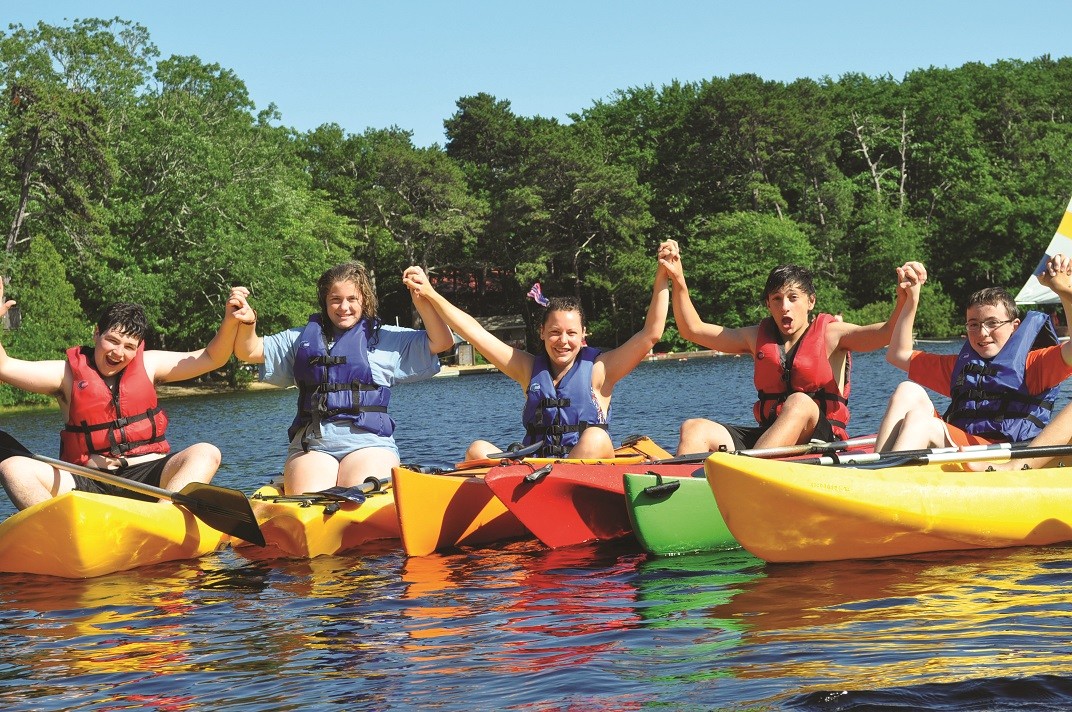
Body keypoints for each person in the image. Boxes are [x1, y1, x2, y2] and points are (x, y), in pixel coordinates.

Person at [660, 239, 923, 454]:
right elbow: (692, 329)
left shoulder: (832, 334)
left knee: (799, 402)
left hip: (821, 440)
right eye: (776, 299)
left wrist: (903, 301)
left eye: (792, 298)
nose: (784, 306)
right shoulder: (756, 337)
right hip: (770, 439)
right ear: (768, 305)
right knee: (694, 428)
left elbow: (887, 333)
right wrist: (678, 280)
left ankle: (745, 477)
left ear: (810, 302)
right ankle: (689, 499)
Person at [401, 251, 671, 460]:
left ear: (583, 334)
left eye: (571, 333)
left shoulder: (601, 369)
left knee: (596, 439)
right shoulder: (527, 369)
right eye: (554, 332)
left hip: (585, 473)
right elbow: (474, 332)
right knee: (477, 449)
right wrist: (430, 294)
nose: (563, 341)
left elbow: (651, 335)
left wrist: (663, 276)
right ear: (541, 332)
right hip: (539, 470)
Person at [0, 282, 244, 511]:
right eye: (112, 341)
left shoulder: (150, 364)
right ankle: (60, 531)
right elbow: (5, 367)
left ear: (138, 347)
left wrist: (230, 322)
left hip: (150, 477)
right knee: (13, 468)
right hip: (89, 483)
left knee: (206, 452)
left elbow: (212, 358)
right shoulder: (65, 375)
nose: (118, 353)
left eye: (129, 347)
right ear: (97, 334)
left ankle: (163, 519)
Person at [229, 262, 453, 495]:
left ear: (364, 300)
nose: (343, 307)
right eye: (335, 299)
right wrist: (247, 322)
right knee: (310, 498)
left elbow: (442, 342)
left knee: (361, 493)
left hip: (370, 443)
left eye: (352, 299)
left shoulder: (386, 339)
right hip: (313, 446)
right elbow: (249, 351)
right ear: (325, 302)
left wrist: (423, 301)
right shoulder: (300, 339)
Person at [876, 254, 1072, 452]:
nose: (983, 333)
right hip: (962, 444)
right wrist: (911, 297)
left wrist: (1064, 292)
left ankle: (885, 475)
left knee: (921, 422)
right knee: (907, 390)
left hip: (1005, 453)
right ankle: (876, 468)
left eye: (993, 323)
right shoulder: (961, 367)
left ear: (1015, 327)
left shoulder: (1035, 364)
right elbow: (898, 354)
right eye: (974, 325)